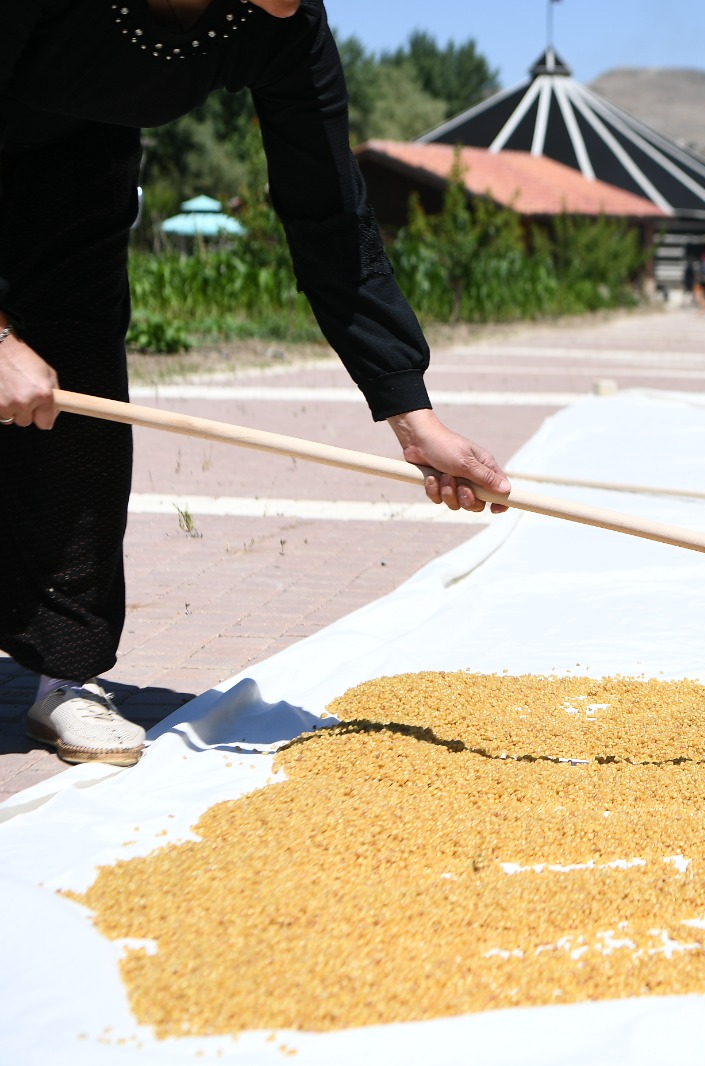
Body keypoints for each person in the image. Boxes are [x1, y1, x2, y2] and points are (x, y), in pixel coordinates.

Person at [0, 0, 512, 767]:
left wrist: (410, 410)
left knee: (79, 400)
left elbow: (330, 214)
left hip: (79, 169)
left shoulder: (282, 21)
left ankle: (65, 676)